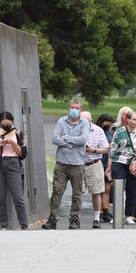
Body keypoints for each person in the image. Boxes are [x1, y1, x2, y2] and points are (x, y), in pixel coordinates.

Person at [42, 98, 89, 229]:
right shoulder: (61, 121)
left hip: (77, 164)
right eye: (72, 107)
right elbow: (55, 139)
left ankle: (74, 220)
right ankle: (52, 220)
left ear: (81, 110)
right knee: (57, 191)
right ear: (69, 108)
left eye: (77, 108)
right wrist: (71, 141)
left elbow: (83, 139)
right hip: (61, 163)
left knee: (77, 194)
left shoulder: (84, 123)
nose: (74, 110)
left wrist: (67, 138)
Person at [108, 109, 136, 225]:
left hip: (134, 164)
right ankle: (117, 214)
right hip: (119, 162)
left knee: (133, 190)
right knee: (118, 188)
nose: (135, 121)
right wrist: (110, 164)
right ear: (127, 120)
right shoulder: (119, 131)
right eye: (133, 119)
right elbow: (113, 148)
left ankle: (129, 215)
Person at [0, 111, 29, 230]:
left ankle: (24, 225)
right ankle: (4, 225)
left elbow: (22, 154)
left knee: (18, 197)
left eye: (8, 123)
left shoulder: (18, 133)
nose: (6, 125)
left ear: (12, 122)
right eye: (3, 124)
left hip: (13, 163)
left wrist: (12, 143)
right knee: (0, 198)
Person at [77, 112, 109, 228]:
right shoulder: (75, 129)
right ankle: (75, 218)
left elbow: (106, 148)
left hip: (94, 163)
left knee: (96, 191)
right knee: (77, 192)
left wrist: (94, 150)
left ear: (91, 121)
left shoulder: (98, 130)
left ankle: (96, 218)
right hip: (78, 164)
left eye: (87, 121)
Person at [95, 114, 115, 223]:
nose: (110, 125)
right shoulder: (97, 132)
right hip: (98, 163)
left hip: (108, 163)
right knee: (99, 189)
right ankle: (100, 212)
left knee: (107, 189)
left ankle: (106, 211)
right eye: (108, 123)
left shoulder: (111, 133)